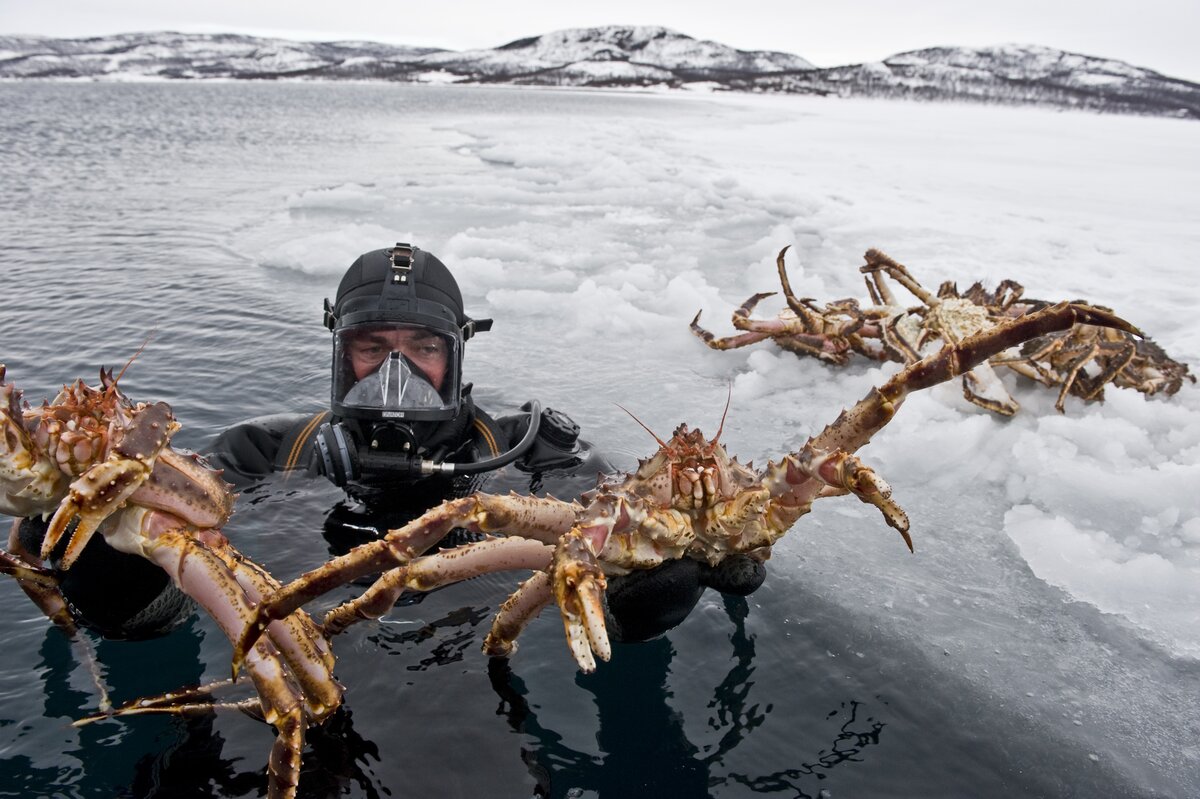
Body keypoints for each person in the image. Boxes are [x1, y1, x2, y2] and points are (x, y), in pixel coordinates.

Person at [217, 243, 767, 641]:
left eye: (423, 349)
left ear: (458, 352)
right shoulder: (261, 451)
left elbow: (603, 516)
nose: (394, 372)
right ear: (340, 351)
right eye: (371, 347)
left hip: (461, 651)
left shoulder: (533, 450)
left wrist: (633, 595)